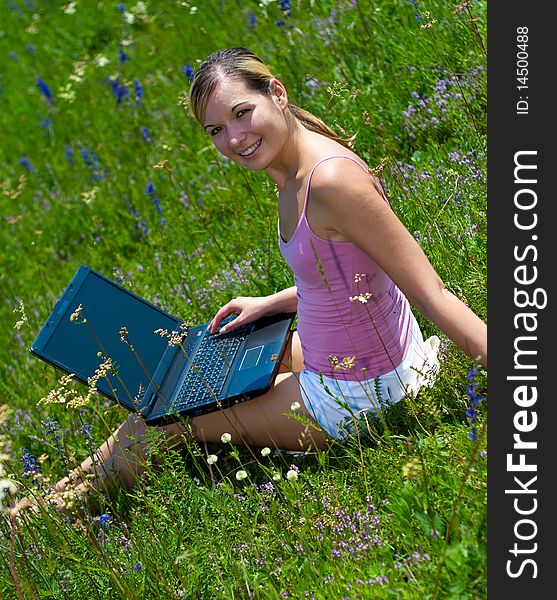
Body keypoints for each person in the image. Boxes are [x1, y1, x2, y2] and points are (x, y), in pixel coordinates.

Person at [18, 47, 487, 512]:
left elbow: (430, 292)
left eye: (243, 114)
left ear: (277, 94)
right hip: (356, 352)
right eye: (216, 130)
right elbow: (347, 274)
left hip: (358, 391)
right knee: (180, 380)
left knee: (165, 419)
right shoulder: (294, 171)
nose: (235, 139)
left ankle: (47, 517)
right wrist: (274, 303)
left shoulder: (329, 182)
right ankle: (61, 490)